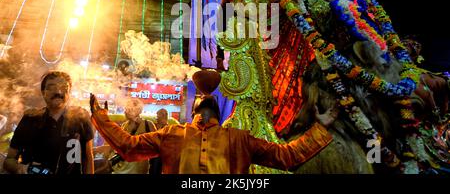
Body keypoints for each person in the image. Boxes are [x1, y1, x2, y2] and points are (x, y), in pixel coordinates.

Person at [90, 90, 336, 174]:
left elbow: (129, 148)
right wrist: (321, 127)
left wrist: (101, 118)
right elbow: (288, 157)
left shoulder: (173, 133)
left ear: (195, 110)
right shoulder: (239, 139)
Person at [3, 71, 94, 174]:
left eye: (64, 87)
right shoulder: (30, 119)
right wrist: (21, 168)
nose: (58, 92)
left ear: (69, 92)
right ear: (43, 92)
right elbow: (9, 160)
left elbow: (88, 157)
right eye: (51, 87)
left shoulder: (81, 117)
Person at [95, 98, 156, 174]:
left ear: (138, 110)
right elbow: (116, 145)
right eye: (126, 108)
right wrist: (96, 150)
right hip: (120, 169)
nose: (125, 111)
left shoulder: (148, 125)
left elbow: (156, 147)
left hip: (139, 170)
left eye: (129, 109)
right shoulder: (124, 125)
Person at [148, 108, 168, 174]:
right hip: (154, 156)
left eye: (157, 116)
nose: (156, 118)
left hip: (160, 157)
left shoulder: (168, 129)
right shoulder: (157, 127)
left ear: (163, 115)